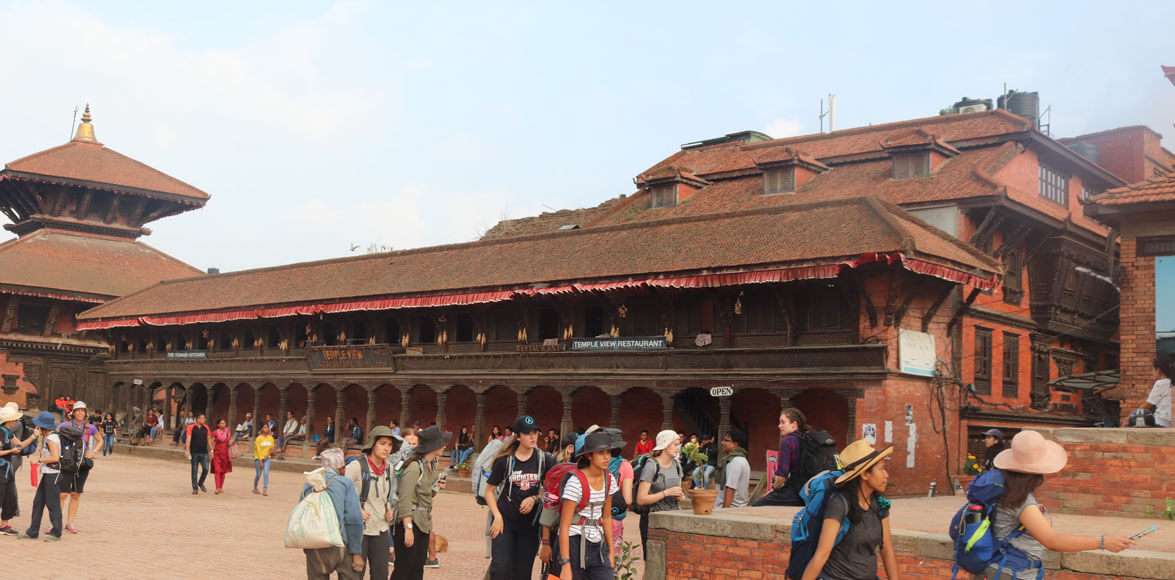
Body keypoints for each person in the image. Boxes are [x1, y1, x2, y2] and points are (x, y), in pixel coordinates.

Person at [979, 430, 1134, 579]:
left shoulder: (1001, 489)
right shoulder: (1021, 501)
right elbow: (1052, 541)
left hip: (996, 566)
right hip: (1012, 573)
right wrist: (1103, 542)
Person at [800, 439, 898, 580]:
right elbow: (822, 554)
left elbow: (887, 548)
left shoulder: (879, 504)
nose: (886, 475)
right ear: (865, 474)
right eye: (881, 469)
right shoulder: (839, 504)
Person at [487, 415, 556, 580]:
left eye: (535, 433)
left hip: (529, 526)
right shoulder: (505, 461)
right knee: (500, 569)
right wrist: (496, 516)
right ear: (518, 436)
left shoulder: (545, 460)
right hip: (504, 523)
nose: (533, 437)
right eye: (527, 433)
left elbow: (550, 491)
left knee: (522, 573)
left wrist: (534, 499)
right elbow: (489, 491)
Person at [557, 429, 621, 580]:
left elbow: (606, 517)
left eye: (608, 452)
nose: (606, 457)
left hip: (597, 542)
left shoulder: (610, 479)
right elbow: (564, 525)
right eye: (601, 453)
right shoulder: (576, 482)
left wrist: (611, 552)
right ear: (589, 455)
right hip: (574, 542)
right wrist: (565, 564)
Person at [392, 426, 451, 580]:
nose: (445, 445)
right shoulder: (414, 467)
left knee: (417, 569)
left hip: (423, 523)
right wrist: (408, 528)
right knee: (404, 570)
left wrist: (436, 488)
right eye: (442, 442)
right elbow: (405, 498)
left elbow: (426, 496)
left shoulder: (429, 466)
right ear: (433, 445)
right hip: (411, 522)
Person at [303, 446, 366, 580]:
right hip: (340, 545)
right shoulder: (345, 483)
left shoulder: (310, 483)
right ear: (341, 468)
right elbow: (354, 519)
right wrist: (356, 552)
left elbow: (302, 514)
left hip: (315, 545)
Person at [345, 425, 397, 580]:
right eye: (382, 443)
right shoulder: (356, 466)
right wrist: (356, 509)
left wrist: (390, 509)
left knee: (381, 574)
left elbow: (389, 496)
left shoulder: (390, 469)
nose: (386, 448)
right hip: (359, 529)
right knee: (354, 573)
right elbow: (341, 493)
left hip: (380, 528)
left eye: (389, 444)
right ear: (372, 444)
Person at [635, 429, 683, 561]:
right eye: (675, 444)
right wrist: (665, 493)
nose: (678, 448)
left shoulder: (677, 465)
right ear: (665, 445)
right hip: (652, 520)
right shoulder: (652, 465)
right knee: (653, 564)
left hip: (673, 519)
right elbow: (641, 499)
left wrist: (681, 496)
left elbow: (679, 493)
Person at [58, 401, 101, 534]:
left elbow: (100, 440)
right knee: (63, 494)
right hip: (68, 462)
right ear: (73, 413)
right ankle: (56, 522)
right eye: (78, 410)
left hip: (82, 464)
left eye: (83, 410)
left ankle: (70, 523)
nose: (81, 413)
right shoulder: (64, 426)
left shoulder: (90, 428)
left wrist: (93, 451)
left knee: (76, 494)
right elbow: (53, 438)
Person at [19, 411, 62, 541]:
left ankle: (56, 531)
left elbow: (55, 458)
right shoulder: (48, 437)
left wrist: (39, 461)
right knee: (38, 502)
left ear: (44, 427)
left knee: (52, 504)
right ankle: (33, 531)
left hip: (53, 474)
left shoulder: (51, 439)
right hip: (47, 474)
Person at [753, 407, 808, 507]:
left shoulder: (788, 441)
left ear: (794, 425)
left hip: (795, 492)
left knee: (757, 505)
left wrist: (773, 490)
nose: (779, 426)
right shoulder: (806, 439)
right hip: (809, 491)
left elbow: (782, 475)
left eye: (783, 422)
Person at [0, 404, 33, 536]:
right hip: (1, 469)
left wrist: (33, 437)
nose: (15, 422)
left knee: (9, 497)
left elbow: (20, 444)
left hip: (7, 469)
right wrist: (11, 451)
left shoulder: (8, 432)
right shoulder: (0, 432)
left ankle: (4, 524)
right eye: (14, 419)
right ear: (8, 420)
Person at [714, 430, 751, 510]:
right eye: (723, 440)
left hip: (732, 509)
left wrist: (725, 511)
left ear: (736, 444)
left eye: (726, 441)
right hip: (737, 509)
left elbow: (730, 488)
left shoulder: (735, 461)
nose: (722, 443)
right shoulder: (741, 459)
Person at [185, 413, 213, 494]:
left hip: (204, 452)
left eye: (204, 418)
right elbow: (188, 439)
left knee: (206, 469)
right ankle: (195, 488)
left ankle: (200, 483)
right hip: (194, 452)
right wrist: (187, 450)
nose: (203, 420)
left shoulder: (206, 427)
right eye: (201, 418)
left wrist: (211, 450)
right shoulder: (191, 427)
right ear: (197, 419)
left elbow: (209, 440)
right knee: (194, 470)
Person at [1141, 354, 1173, 428]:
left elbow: (1148, 404)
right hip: (1169, 422)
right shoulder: (1170, 382)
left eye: (1152, 369)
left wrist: (1131, 416)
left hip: (1160, 421)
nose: (1152, 372)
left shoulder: (1161, 383)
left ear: (1158, 370)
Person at [211, 418, 233, 494]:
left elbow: (230, 442)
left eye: (224, 423)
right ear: (218, 425)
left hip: (225, 453)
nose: (223, 424)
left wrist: (231, 442)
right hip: (217, 453)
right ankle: (217, 487)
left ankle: (221, 487)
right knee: (217, 470)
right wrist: (211, 451)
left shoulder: (228, 431)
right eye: (221, 423)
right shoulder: (215, 432)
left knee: (223, 471)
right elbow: (212, 442)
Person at [253, 422, 275, 496]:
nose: (266, 429)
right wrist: (260, 460)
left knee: (266, 473)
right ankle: (255, 488)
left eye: (267, 427)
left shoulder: (271, 438)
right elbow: (258, 450)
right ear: (261, 429)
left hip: (267, 458)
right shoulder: (258, 438)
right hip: (258, 458)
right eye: (264, 427)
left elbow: (271, 449)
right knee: (258, 475)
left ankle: (265, 489)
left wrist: (272, 453)